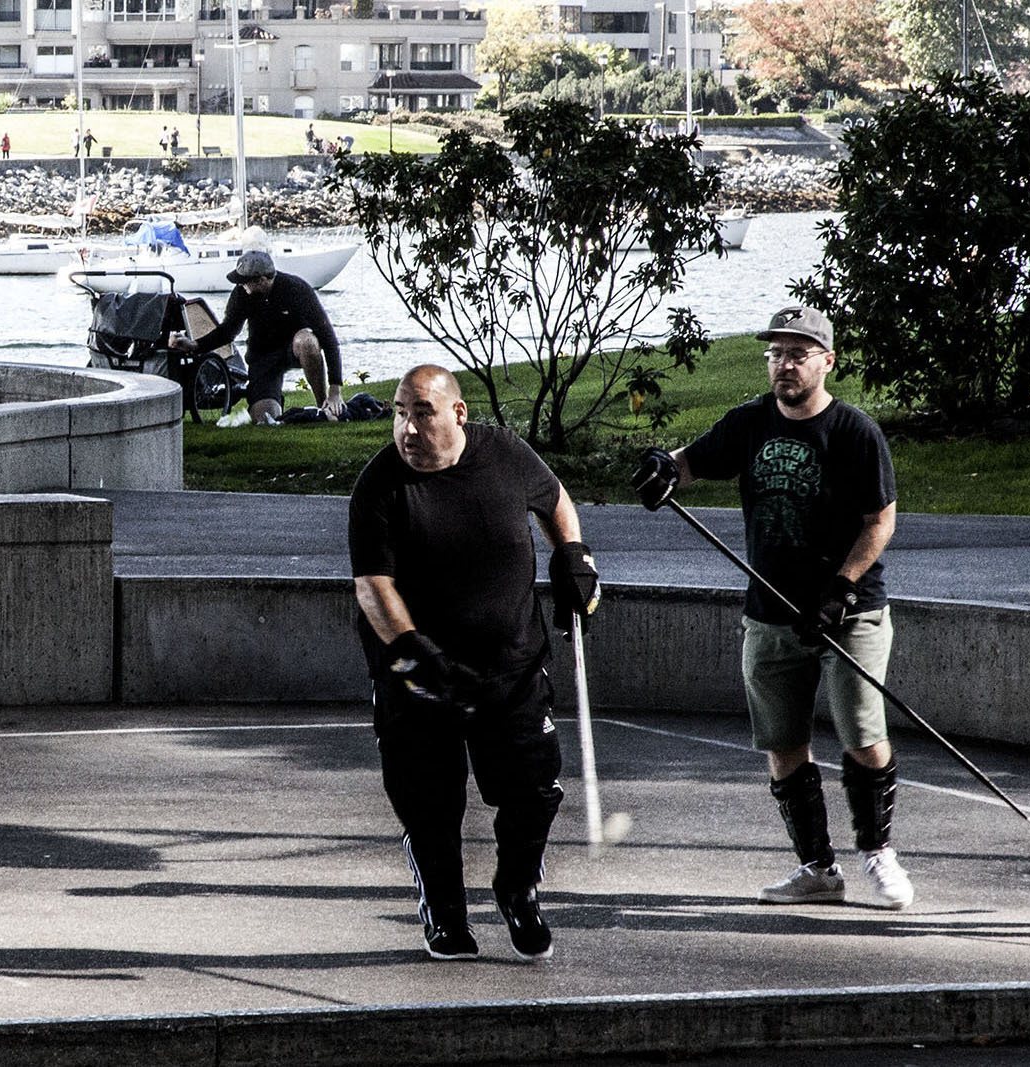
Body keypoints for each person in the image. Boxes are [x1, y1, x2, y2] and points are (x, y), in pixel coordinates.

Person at [629, 305, 913, 910]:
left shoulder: (854, 432)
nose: (784, 364)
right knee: (783, 742)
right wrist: (662, 469)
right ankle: (816, 868)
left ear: (826, 362)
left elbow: (880, 520)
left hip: (848, 611)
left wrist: (842, 587)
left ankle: (879, 852)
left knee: (862, 734)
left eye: (798, 353)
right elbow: (688, 461)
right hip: (770, 612)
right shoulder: (750, 423)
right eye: (776, 354)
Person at [349, 365, 597, 961]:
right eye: (399, 413)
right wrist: (411, 649)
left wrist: (572, 554)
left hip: (511, 664)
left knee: (533, 792)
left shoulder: (506, 454)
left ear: (457, 414)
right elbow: (373, 587)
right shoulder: (378, 486)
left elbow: (555, 499)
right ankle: (444, 911)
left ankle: (518, 888)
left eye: (421, 412)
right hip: (421, 673)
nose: (407, 427)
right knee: (429, 802)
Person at [171, 250, 343, 424]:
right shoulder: (241, 294)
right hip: (263, 357)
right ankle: (279, 407)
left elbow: (329, 340)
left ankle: (323, 406)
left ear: (261, 280)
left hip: (294, 348)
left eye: (244, 282)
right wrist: (194, 345)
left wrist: (335, 390)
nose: (241, 286)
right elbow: (227, 331)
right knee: (265, 419)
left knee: (307, 340)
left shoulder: (297, 289)